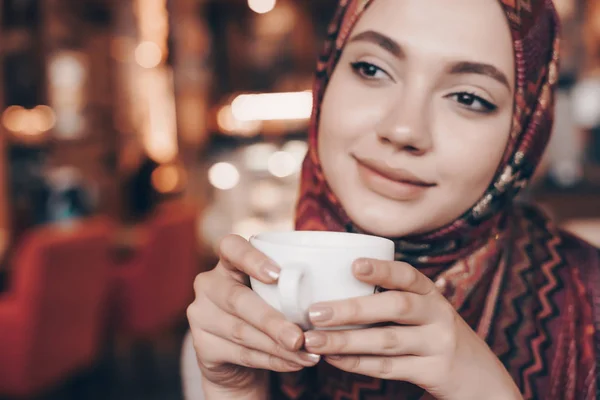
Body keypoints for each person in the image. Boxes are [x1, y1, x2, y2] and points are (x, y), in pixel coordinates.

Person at [185, 0, 600, 398]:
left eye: (468, 98)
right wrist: (235, 394)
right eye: (371, 69)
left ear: (522, 133)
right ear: (328, 75)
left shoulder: (590, 311)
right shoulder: (231, 335)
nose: (404, 129)